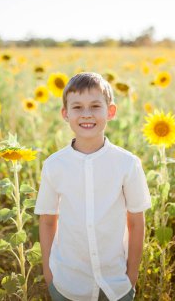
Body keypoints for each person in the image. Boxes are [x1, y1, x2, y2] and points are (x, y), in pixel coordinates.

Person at [34, 72, 152, 301]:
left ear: (111, 111)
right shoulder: (54, 166)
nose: (86, 114)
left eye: (95, 106)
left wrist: (131, 276)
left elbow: (136, 222)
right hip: (67, 284)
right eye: (77, 107)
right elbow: (48, 220)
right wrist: (50, 275)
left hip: (115, 284)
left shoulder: (127, 164)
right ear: (65, 114)